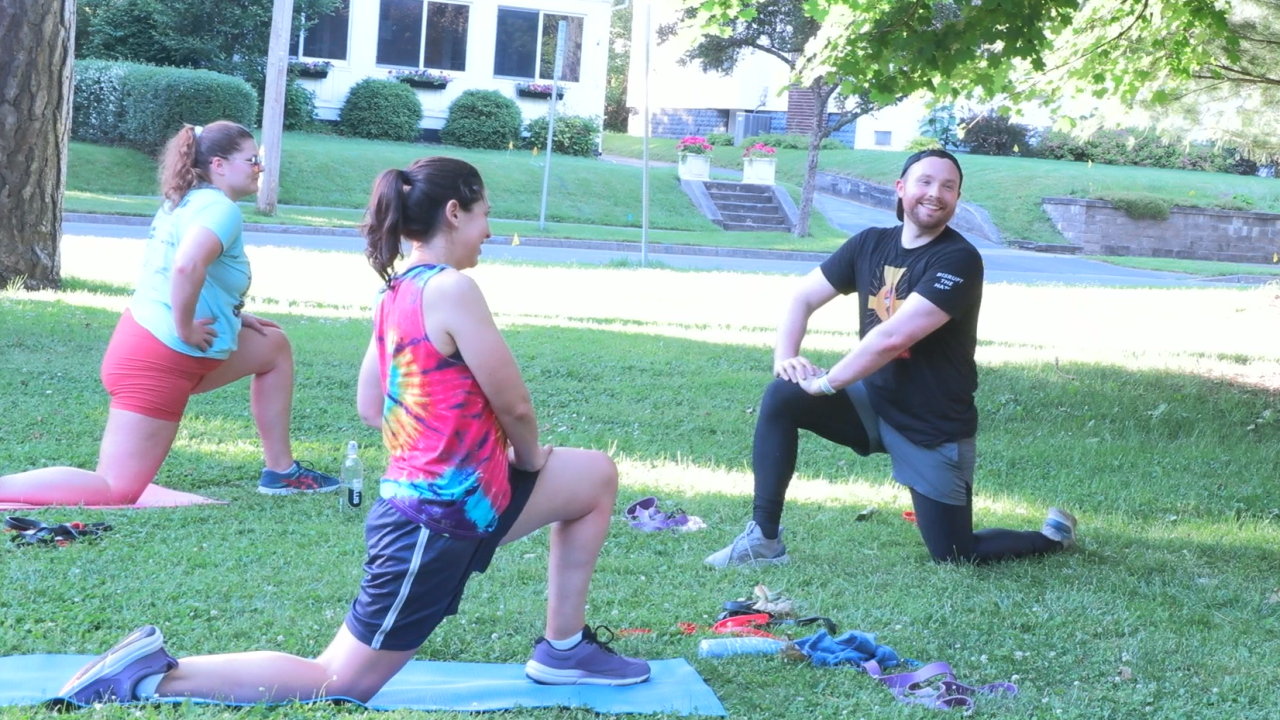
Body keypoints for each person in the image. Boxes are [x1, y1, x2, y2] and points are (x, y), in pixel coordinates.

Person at [57, 156, 650, 706]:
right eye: (485, 214)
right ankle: (151, 673)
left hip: (464, 498)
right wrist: (525, 459)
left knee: (593, 475)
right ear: (454, 212)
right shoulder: (452, 288)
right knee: (340, 681)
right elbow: (515, 405)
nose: (489, 231)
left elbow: (371, 405)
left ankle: (564, 650)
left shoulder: (395, 292)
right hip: (431, 522)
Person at [705, 149, 1077, 568]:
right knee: (783, 395)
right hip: (874, 404)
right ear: (901, 189)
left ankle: (1051, 538)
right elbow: (802, 296)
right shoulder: (869, 244)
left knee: (955, 553)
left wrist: (827, 383)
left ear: (957, 199)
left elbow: (893, 337)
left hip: (931, 426)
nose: (935, 194)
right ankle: (764, 541)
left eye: (948, 187)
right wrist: (785, 356)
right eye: (925, 182)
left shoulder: (958, 259)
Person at [0, 121, 338, 505]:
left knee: (272, 345)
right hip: (158, 359)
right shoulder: (220, 209)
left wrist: (230, 315)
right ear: (219, 164)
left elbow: (179, 275)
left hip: (165, 349)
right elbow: (184, 266)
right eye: (252, 159)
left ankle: (281, 471)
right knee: (116, 489)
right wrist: (185, 326)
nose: (259, 167)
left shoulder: (190, 200)